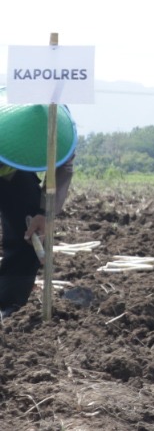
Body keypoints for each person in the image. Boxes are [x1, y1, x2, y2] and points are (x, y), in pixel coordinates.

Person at [0, 103, 76, 319]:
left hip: (13, 173)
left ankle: (9, 304)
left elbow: (62, 170)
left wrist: (45, 213)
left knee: (29, 235)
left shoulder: (61, 133)